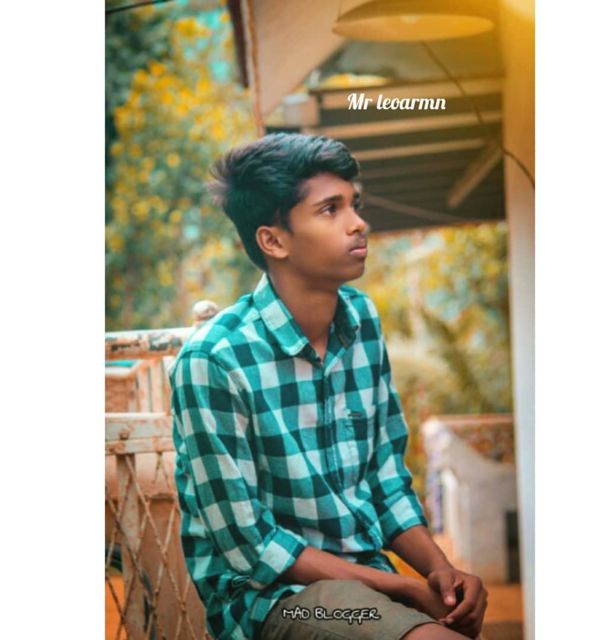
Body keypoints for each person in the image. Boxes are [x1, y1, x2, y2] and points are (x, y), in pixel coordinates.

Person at [170, 133, 488, 640]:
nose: (357, 222)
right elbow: (253, 546)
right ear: (273, 241)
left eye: (354, 204)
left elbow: (385, 479)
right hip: (273, 602)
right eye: (330, 209)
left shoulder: (361, 321)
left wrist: (440, 572)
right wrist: (404, 588)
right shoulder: (215, 359)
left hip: (370, 583)